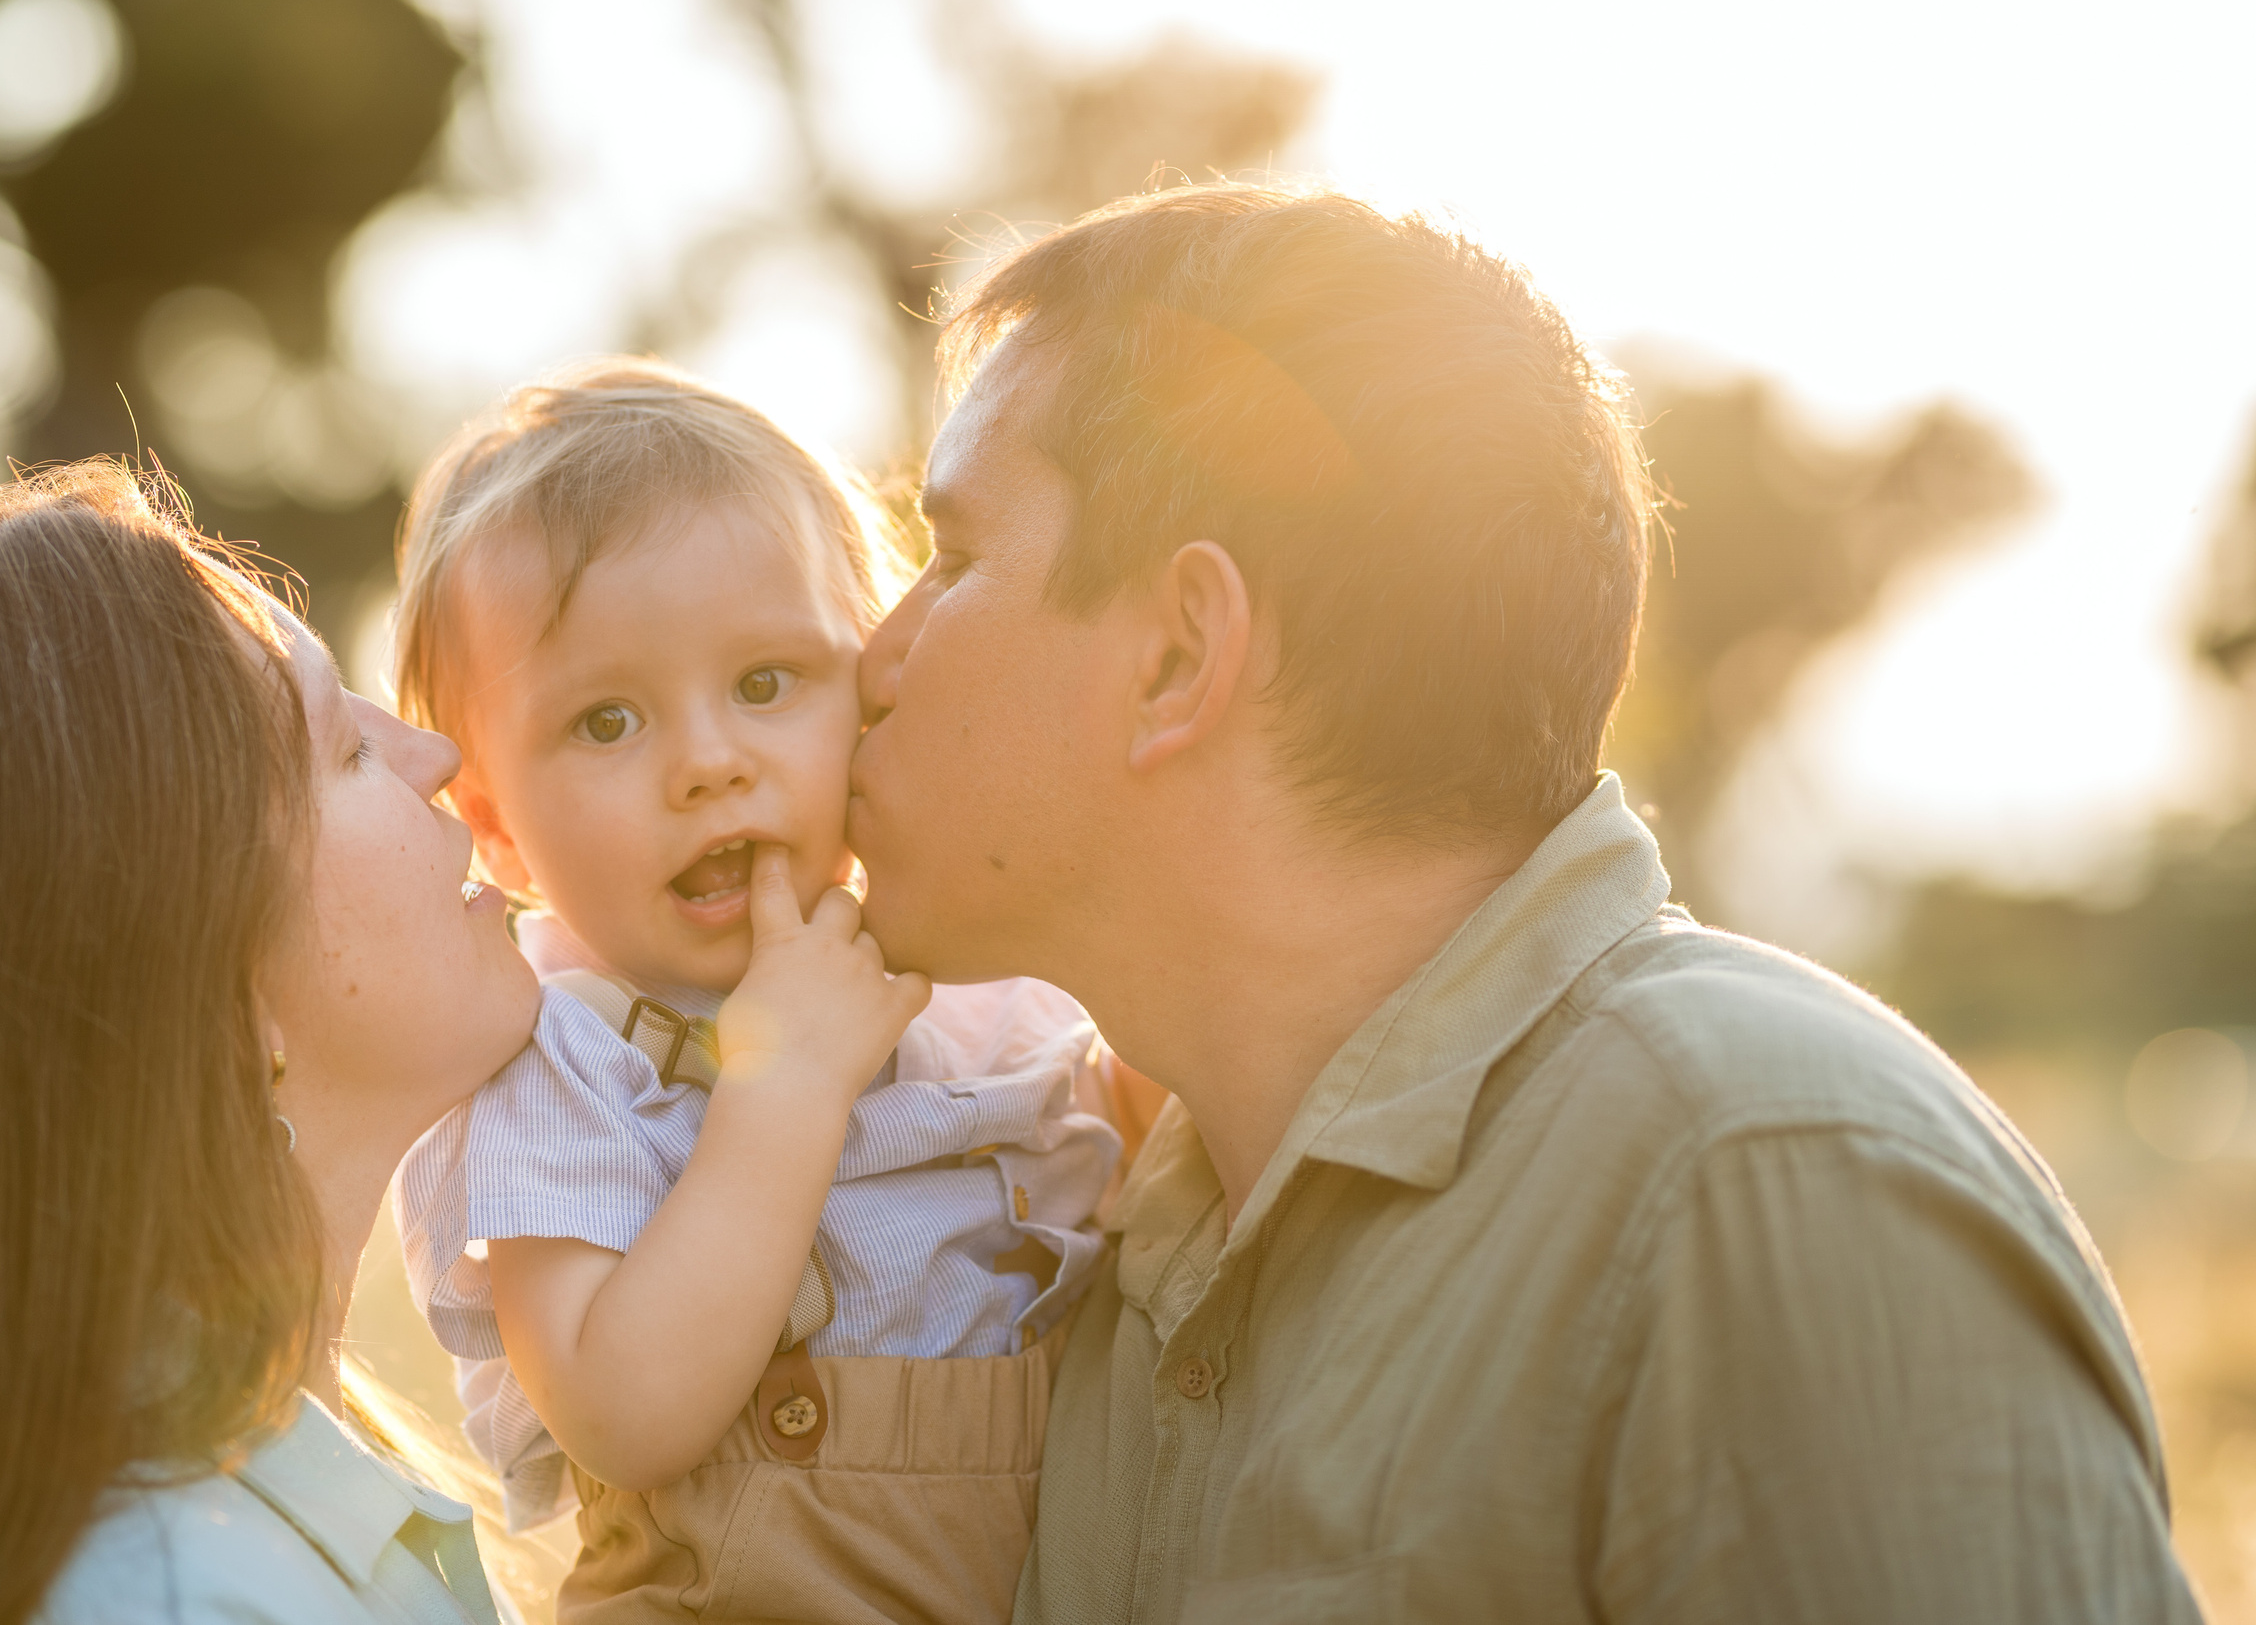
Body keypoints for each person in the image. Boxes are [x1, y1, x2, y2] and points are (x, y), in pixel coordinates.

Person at [847, 183, 2205, 1623]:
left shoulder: (1766, 1183)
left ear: (1181, 653)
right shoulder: (1086, 1251)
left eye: (952, 559)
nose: (869, 657)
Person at [0, 465, 542, 1625]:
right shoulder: (177, 1594)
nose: (436, 759)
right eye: (344, 748)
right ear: (212, 986)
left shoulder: (238, 1516)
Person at [386, 361, 1138, 1624]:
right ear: (497, 829)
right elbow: (623, 1413)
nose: (710, 764)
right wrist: (778, 1083)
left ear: (874, 686)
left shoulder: (978, 997)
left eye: (765, 683)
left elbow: (1142, 1202)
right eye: (609, 721)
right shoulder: (560, 1061)